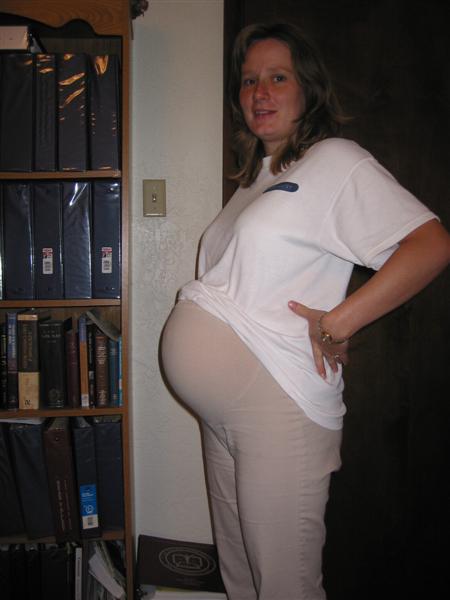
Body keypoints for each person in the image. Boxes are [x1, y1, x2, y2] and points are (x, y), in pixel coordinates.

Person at [160, 22, 450, 600]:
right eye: (249, 81)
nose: (259, 92)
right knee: (241, 580)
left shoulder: (334, 160)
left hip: (280, 405)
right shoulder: (257, 179)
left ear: (308, 89)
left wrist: (340, 321)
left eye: (278, 77)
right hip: (225, 416)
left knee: (284, 587)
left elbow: (430, 245)